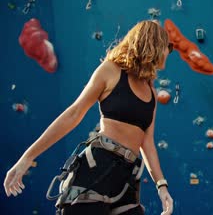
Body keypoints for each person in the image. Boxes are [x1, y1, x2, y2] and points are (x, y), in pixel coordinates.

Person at [3, 20, 174, 215]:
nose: (169, 52)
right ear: (153, 44)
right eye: (168, 47)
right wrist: (28, 157)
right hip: (95, 173)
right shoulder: (111, 71)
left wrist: (162, 187)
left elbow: (147, 142)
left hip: (127, 180)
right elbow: (74, 114)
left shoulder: (151, 91)